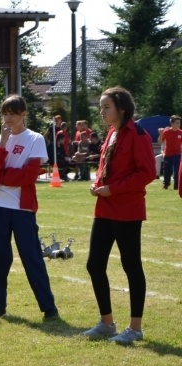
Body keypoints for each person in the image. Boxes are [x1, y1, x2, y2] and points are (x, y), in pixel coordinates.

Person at [83, 87, 155, 344]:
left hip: (127, 210)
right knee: (94, 264)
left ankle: (135, 328)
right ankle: (107, 323)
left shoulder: (138, 134)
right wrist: (97, 184)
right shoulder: (111, 133)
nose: (101, 112)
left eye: (106, 107)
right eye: (101, 107)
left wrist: (113, 189)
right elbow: (107, 168)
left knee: (131, 266)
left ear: (122, 109)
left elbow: (147, 173)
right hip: (104, 209)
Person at [0, 94, 59, 320]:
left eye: (13, 114)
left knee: (31, 256)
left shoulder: (35, 139)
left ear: (24, 114)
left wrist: (3, 176)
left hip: (22, 207)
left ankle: (48, 308)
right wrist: (4, 144)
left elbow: (28, 176)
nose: (8, 118)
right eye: (5, 114)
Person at [160, 115, 181, 190]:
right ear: (172, 123)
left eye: (179, 123)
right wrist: (161, 134)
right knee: (167, 170)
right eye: (177, 123)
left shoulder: (180, 132)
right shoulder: (166, 132)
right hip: (168, 154)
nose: (179, 124)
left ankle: (176, 186)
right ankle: (166, 184)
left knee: (176, 170)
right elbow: (160, 142)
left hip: (177, 154)